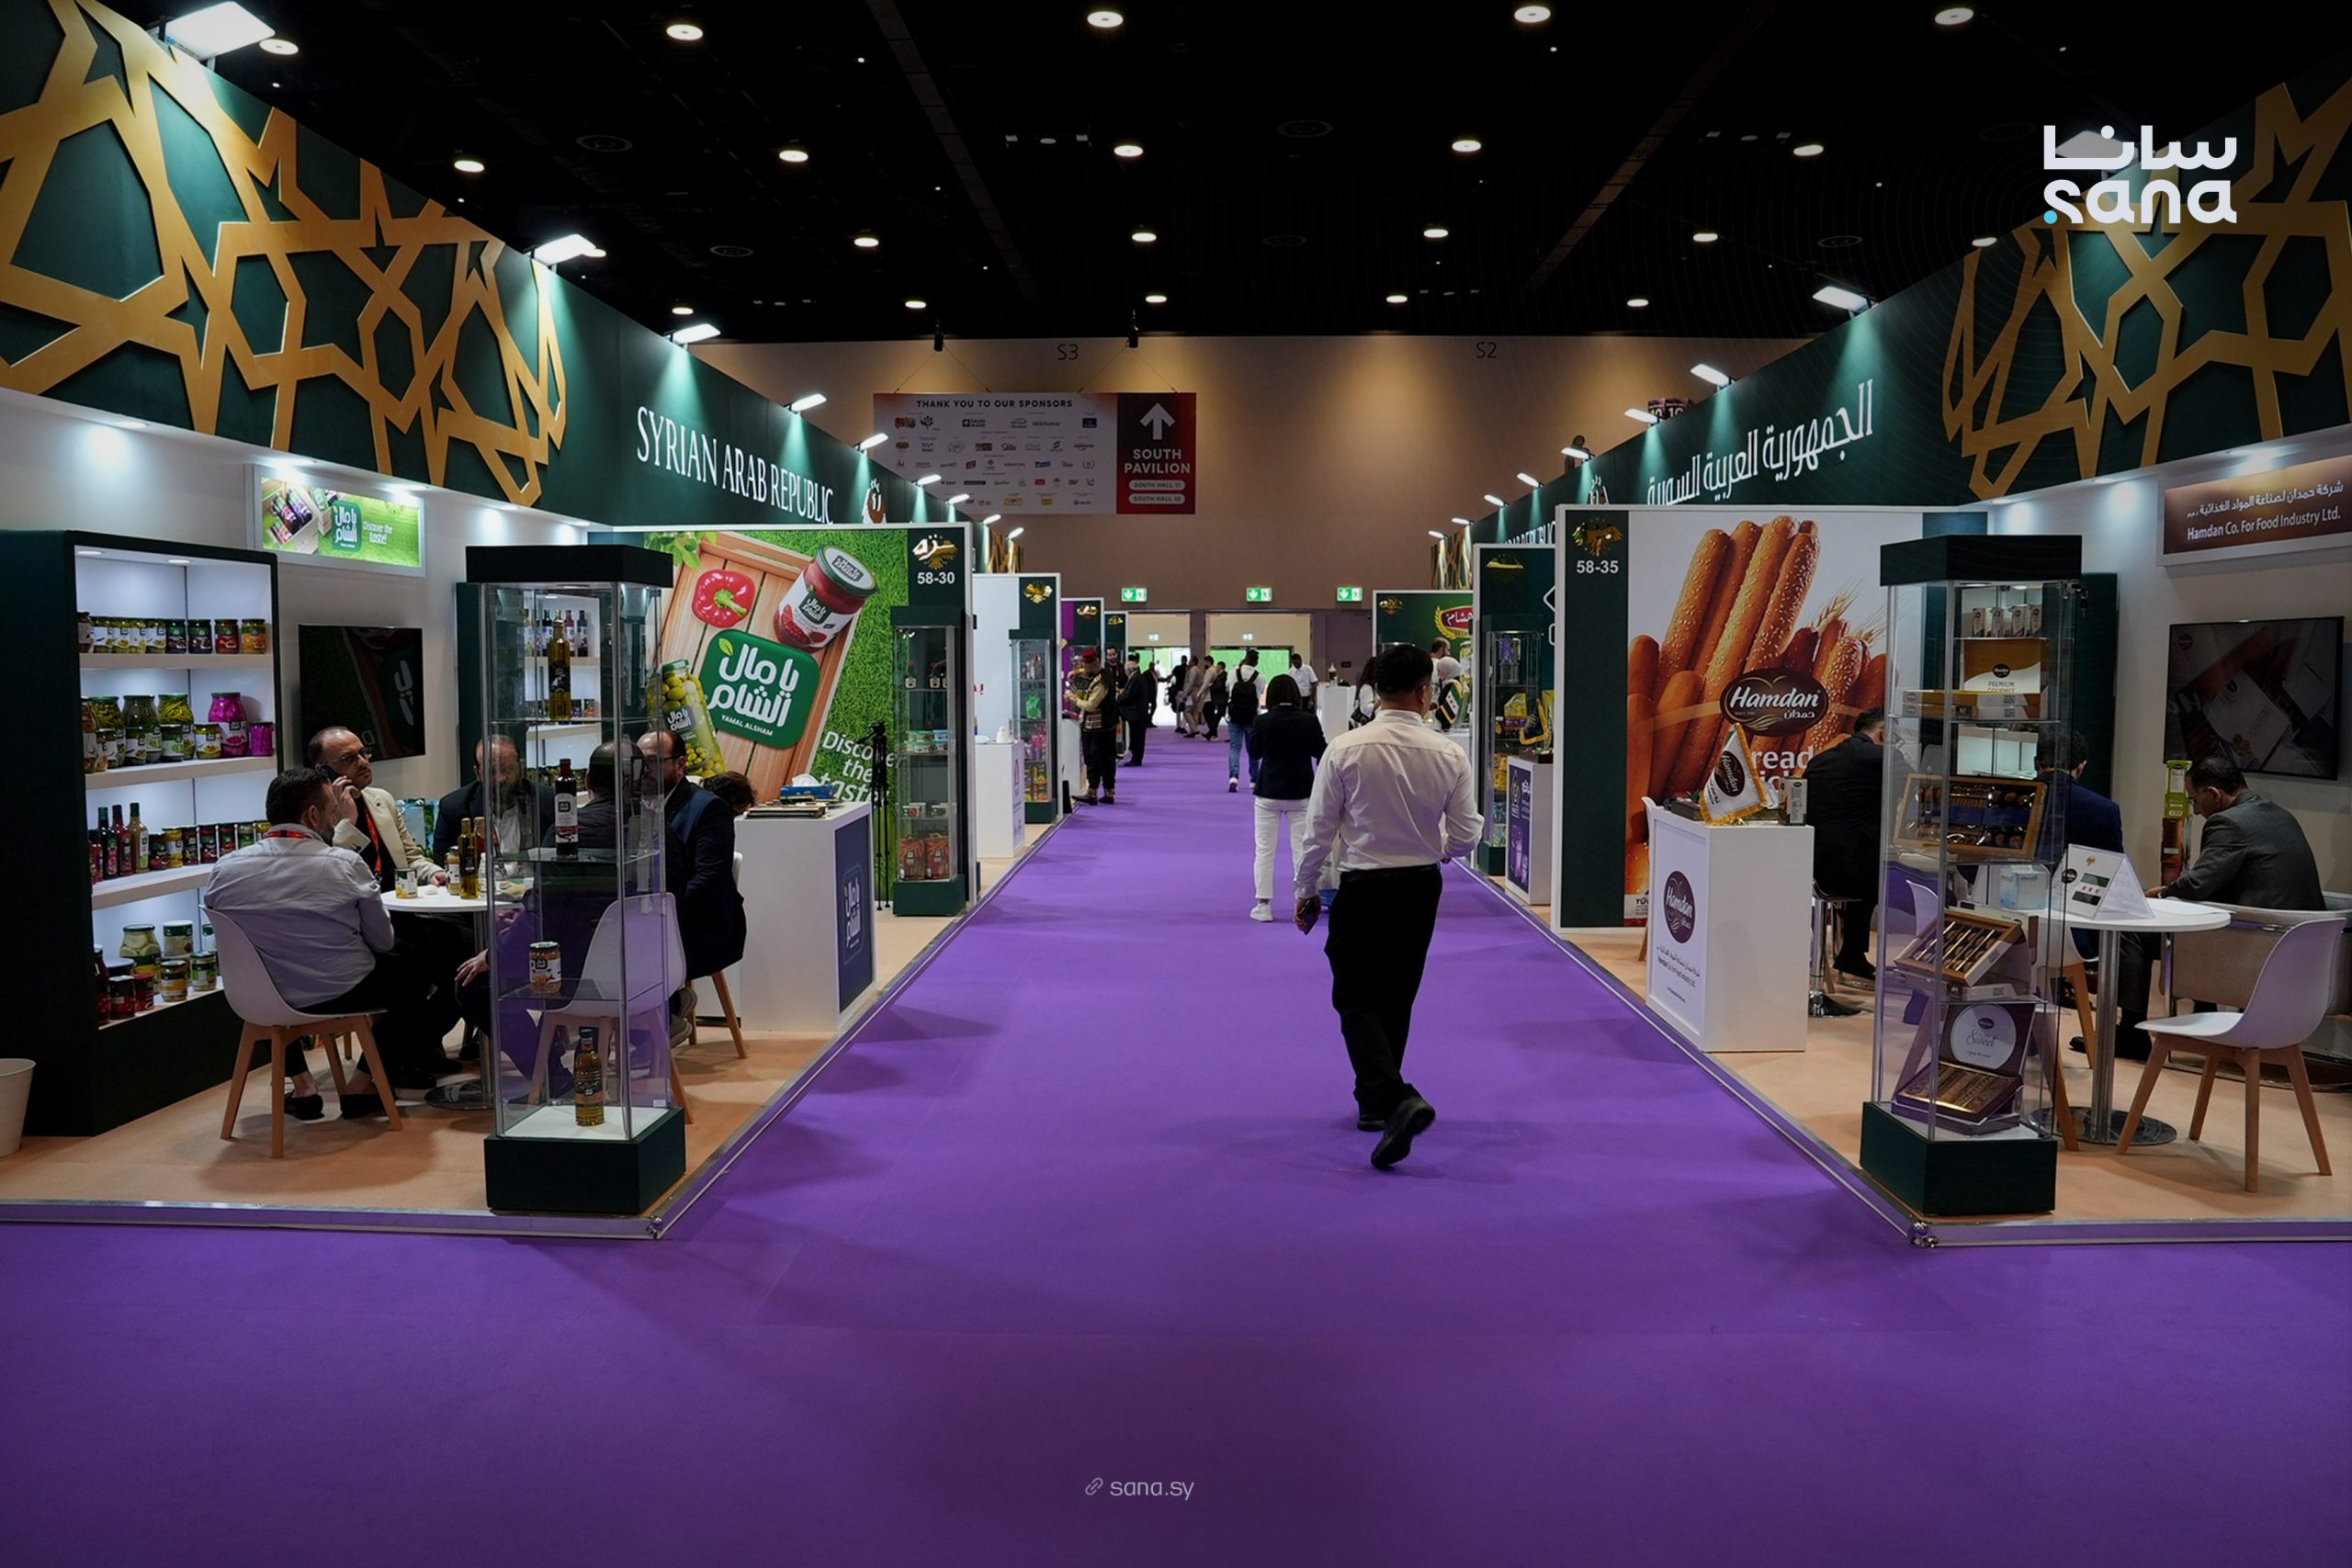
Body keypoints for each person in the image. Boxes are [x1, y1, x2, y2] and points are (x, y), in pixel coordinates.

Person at [1294, 645, 1483, 1169]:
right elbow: (1467, 835)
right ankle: (1375, 1103)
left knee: (1355, 996)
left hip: (1363, 884)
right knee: (1398, 993)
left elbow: (1319, 830)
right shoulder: (1448, 753)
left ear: (1375, 692)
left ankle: (1394, 1099)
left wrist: (1305, 888)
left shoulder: (1345, 748)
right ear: (1425, 692)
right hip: (1420, 886)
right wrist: (1440, 848)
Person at [203, 770, 448, 1119]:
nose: (337, 821)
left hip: (254, 997)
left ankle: (303, 1086)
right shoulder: (344, 864)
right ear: (312, 815)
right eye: (334, 813)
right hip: (341, 991)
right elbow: (382, 940)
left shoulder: (225, 870)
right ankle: (361, 1085)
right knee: (414, 970)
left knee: (270, 966)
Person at [2107, 753, 2324, 1060]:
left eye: (2195, 800)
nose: (2195, 810)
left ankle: (2131, 1035)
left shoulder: (2229, 822)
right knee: (2205, 925)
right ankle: (2202, 1014)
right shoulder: (2280, 815)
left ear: (2213, 793)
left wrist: (2163, 892)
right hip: (2302, 947)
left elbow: (2199, 883)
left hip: (2257, 949)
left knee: (2132, 931)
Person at [639, 730, 749, 1034]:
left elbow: (709, 880)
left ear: (680, 765)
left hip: (700, 925)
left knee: (630, 950)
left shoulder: (708, 808)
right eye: (639, 762)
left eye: (653, 762)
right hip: (651, 919)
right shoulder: (634, 806)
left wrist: (660, 911)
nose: (644, 771)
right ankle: (663, 1014)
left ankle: (657, 1022)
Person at [1799, 707, 1886, 981]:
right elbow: (1915, 787)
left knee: (1870, 867)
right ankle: (1917, 967)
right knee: (1900, 879)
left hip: (1813, 862)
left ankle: (1851, 953)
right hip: (1846, 871)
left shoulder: (1821, 759)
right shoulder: (1879, 759)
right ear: (1883, 733)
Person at [310, 727, 436, 890]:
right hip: (351, 902)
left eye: (363, 753)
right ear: (323, 770)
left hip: (396, 899)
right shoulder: (315, 813)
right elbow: (324, 870)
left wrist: (433, 873)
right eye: (348, 758)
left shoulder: (382, 799)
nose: (363, 762)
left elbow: (410, 859)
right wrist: (347, 822)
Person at [1247, 674, 1325, 922]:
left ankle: (1263, 905)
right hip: (1300, 792)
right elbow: (1321, 752)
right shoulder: (1309, 720)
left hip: (1268, 792)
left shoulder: (1262, 721)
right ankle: (1303, 901)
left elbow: (1255, 753)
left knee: (1264, 851)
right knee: (1302, 850)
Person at [433, 736, 553, 864]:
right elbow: (442, 865)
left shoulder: (548, 802)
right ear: (477, 773)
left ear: (521, 768)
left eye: (508, 769)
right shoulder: (453, 808)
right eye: (492, 772)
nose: (501, 778)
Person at [1064, 649, 1119, 805]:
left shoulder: (1100, 683)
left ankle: (1092, 793)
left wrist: (1073, 699)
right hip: (1108, 725)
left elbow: (1090, 705)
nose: (1084, 670)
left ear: (1091, 666)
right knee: (1108, 759)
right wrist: (1077, 672)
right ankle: (1109, 792)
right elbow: (1089, 671)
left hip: (1097, 727)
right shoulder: (1105, 673)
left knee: (1093, 759)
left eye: (1085, 666)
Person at [1225, 653, 1261, 791]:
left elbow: (1228, 689)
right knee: (1252, 748)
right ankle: (1254, 779)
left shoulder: (1232, 673)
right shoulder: (1260, 677)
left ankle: (1234, 777)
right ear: (1256, 662)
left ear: (1245, 659)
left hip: (1234, 715)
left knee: (1235, 747)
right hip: (1251, 717)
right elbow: (1259, 694)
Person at [1119, 657, 1155, 766]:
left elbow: (1129, 696)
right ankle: (1136, 758)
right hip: (1139, 713)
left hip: (1136, 713)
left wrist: (1119, 697)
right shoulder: (1138, 677)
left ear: (1129, 670)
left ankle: (1136, 759)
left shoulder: (1135, 679)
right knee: (1137, 736)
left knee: (1137, 737)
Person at [1430, 638, 1465, 732]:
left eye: (1440, 671)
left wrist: (1435, 712)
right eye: (1448, 650)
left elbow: (1448, 712)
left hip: (1449, 729)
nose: (1438, 675)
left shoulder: (1454, 686)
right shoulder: (1451, 684)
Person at [1203, 661, 1228, 741]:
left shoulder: (1221, 676)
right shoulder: (1223, 675)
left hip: (1221, 699)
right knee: (1218, 717)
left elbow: (1219, 686)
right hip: (1222, 699)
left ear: (1220, 667)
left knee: (1218, 717)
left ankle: (1211, 733)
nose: (1216, 668)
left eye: (1217, 666)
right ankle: (1211, 733)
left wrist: (1211, 686)